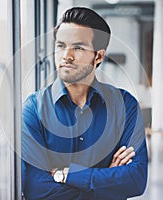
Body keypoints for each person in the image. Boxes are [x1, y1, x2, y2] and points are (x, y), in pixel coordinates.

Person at [21, 7, 148, 200]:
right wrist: (107, 181)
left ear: (98, 56)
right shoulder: (33, 109)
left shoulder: (125, 105)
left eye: (78, 48)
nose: (66, 55)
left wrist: (64, 174)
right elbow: (35, 187)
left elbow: (136, 180)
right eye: (61, 46)